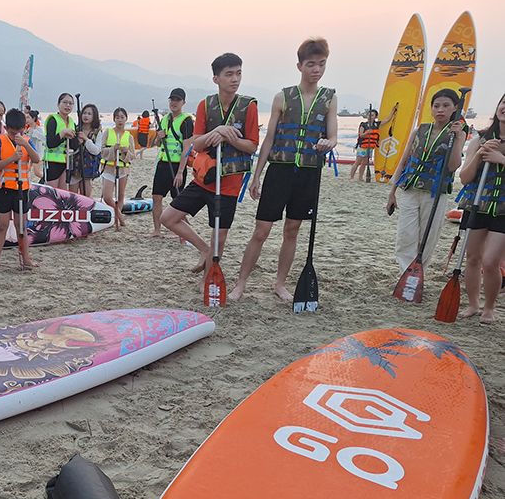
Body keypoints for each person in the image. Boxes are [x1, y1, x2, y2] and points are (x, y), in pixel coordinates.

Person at [229, 38, 338, 302]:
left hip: (309, 173)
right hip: (279, 171)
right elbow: (269, 140)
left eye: (321, 64)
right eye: (311, 64)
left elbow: (333, 136)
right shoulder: (283, 96)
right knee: (261, 230)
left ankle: (280, 284)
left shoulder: (329, 98)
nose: (317, 70)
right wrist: (256, 176)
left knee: (292, 230)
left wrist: (328, 142)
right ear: (299, 65)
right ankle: (240, 283)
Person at [161, 53, 259, 292]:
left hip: (229, 182)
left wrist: (228, 136)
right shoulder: (206, 105)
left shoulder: (249, 106)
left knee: (220, 236)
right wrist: (217, 130)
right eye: (229, 74)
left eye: (238, 73)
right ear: (216, 79)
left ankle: (208, 278)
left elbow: (252, 145)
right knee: (168, 218)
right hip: (204, 179)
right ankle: (204, 249)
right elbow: (196, 143)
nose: (235, 79)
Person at [387, 88, 466, 274]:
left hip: (435, 192)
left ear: (455, 108)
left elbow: (454, 166)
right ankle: (406, 274)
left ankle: (419, 272)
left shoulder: (457, 134)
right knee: (406, 235)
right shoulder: (420, 130)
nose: (440, 109)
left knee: (428, 237)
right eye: (436, 105)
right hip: (410, 188)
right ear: (431, 109)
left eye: (446, 105)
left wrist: (458, 138)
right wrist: (392, 192)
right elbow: (404, 160)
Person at [457, 93, 505, 323]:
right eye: (504, 102)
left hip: (503, 211)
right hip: (479, 205)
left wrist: (501, 158)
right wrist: (479, 153)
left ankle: (489, 308)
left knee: (490, 261)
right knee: (473, 258)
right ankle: (473, 305)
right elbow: (465, 178)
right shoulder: (480, 138)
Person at [0, 108, 41, 270]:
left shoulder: (26, 141)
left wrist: (26, 145)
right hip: (4, 190)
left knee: (21, 225)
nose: (15, 134)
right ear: (6, 128)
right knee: (2, 225)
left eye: (19, 131)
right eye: (12, 132)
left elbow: (36, 159)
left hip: (21, 190)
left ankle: (26, 259)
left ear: (24, 128)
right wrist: (11, 158)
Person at [148, 88, 194, 237]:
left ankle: (180, 229)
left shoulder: (186, 121)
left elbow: (187, 148)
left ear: (183, 102)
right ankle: (157, 230)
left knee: (178, 200)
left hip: (177, 166)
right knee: (156, 197)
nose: (174, 103)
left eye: (177, 100)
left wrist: (180, 172)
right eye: (172, 100)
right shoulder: (165, 119)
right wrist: (159, 137)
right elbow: (156, 143)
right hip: (163, 163)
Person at [100, 107, 136, 229]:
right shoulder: (107, 132)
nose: (120, 120)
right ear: (114, 119)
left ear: (126, 118)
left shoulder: (129, 136)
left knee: (120, 196)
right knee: (107, 196)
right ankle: (120, 215)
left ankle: (118, 221)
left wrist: (126, 152)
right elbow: (102, 151)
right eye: (117, 117)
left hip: (123, 169)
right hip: (108, 168)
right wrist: (112, 149)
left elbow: (133, 155)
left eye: (122, 117)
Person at [350, 107, 396, 182]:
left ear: (376, 117)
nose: (369, 117)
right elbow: (361, 135)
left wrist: (393, 111)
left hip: (370, 147)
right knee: (358, 162)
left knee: (364, 163)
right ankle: (351, 177)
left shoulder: (376, 124)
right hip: (362, 146)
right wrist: (367, 133)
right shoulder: (363, 125)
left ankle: (360, 177)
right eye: (368, 115)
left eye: (372, 115)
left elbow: (387, 119)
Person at [42, 93, 77, 191]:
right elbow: (51, 142)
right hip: (52, 161)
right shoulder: (53, 120)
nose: (68, 105)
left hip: (66, 162)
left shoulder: (71, 122)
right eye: (65, 102)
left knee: (63, 194)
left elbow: (74, 145)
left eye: (70, 103)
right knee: (51, 192)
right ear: (58, 105)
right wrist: (64, 132)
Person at [70, 103, 102, 196]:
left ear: (94, 116)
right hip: (75, 169)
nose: (86, 116)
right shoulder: (75, 129)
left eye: (89, 114)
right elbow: (70, 149)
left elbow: (96, 150)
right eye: (84, 113)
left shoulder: (98, 132)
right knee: (73, 198)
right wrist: (77, 143)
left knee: (85, 199)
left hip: (88, 170)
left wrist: (86, 139)